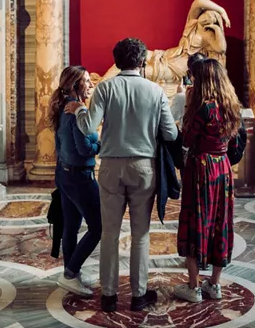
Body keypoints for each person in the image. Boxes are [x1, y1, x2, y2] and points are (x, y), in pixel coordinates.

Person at [65, 38, 178, 312]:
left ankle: (109, 296)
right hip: (143, 167)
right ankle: (139, 295)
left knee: (110, 233)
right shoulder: (155, 91)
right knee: (140, 234)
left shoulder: (105, 88)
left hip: (111, 167)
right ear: (142, 62)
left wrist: (79, 109)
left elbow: (89, 127)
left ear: (116, 62)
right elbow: (171, 134)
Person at [173, 58, 242, 303]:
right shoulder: (231, 105)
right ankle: (214, 283)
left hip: (201, 167)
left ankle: (193, 287)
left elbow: (187, 140)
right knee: (220, 222)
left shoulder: (202, 107)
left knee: (196, 221)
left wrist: (187, 109)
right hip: (223, 168)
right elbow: (235, 142)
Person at [48, 66, 103, 298]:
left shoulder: (63, 107)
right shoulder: (74, 111)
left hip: (64, 174)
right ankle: (70, 273)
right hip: (80, 177)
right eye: (87, 81)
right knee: (99, 227)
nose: (91, 85)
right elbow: (84, 149)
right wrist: (103, 143)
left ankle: (70, 273)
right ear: (74, 85)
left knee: (71, 225)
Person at [170, 52, 206, 128]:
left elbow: (170, 120)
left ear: (191, 75)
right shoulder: (223, 97)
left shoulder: (182, 98)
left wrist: (180, 95)